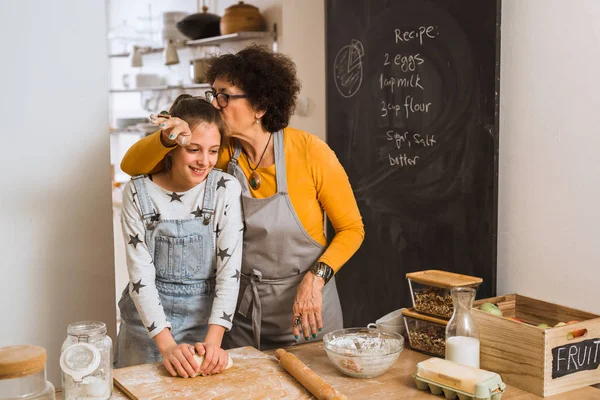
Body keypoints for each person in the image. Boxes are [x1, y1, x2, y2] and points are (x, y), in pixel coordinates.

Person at [120, 45, 365, 350]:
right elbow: (132, 167)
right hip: (242, 316)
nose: (215, 104)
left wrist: (316, 278)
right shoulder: (218, 153)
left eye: (225, 96)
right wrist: (167, 137)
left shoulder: (310, 152)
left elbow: (352, 229)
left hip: (306, 312)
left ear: (260, 106)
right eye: (213, 94)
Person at [114, 95, 243, 377]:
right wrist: (166, 345)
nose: (204, 161)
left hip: (204, 328)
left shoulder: (225, 188)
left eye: (213, 151)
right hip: (146, 329)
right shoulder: (137, 192)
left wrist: (213, 342)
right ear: (171, 148)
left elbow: (229, 272)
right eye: (194, 149)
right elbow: (140, 277)